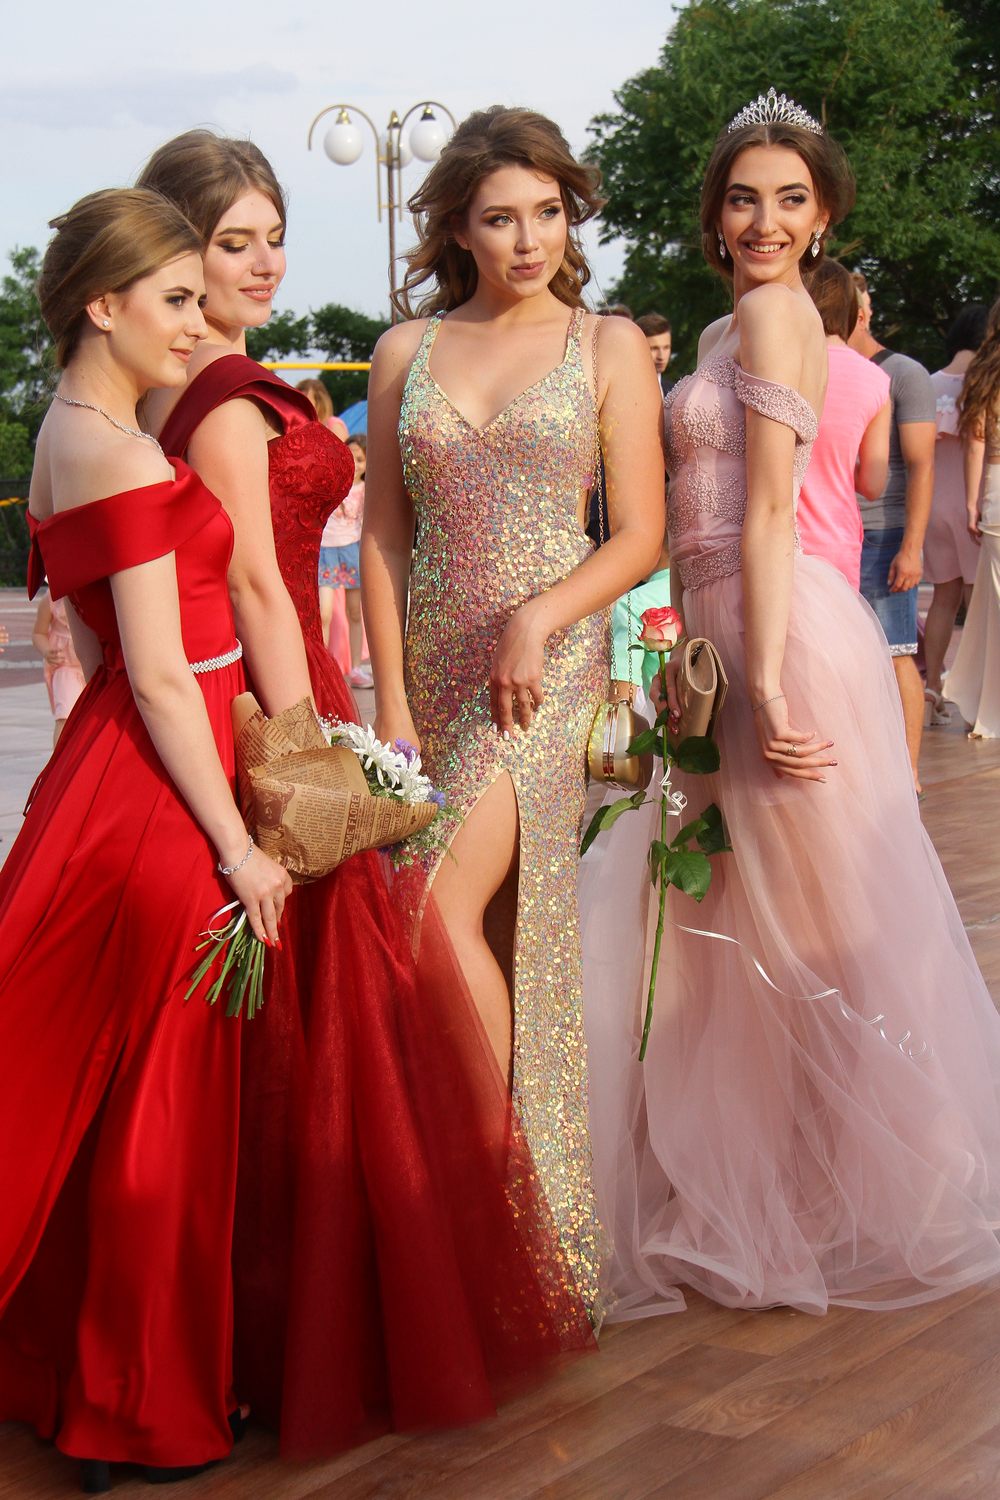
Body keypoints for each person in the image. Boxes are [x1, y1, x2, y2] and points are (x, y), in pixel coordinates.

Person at [139, 127, 595, 1457]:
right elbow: (285, 567)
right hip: (316, 693)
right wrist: (339, 729)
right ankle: (443, 1234)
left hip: (451, 676)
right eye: (233, 242)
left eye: (274, 237)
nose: (264, 262)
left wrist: (349, 713)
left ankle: (482, 1213)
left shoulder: (238, 383)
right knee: (344, 980)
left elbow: (630, 524)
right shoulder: (237, 388)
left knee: (392, 955)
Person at [581, 89, 1000, 1321]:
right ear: (713, 213)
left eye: (789, 200)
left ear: (823, 219)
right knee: (731, 922)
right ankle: (774, 1185)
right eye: (742, 198)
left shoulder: (774, 316)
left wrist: (762, 678)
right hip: (720, 631)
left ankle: (886, 1175)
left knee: (814, 913)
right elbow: (687, 520)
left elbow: (771, 508)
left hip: (778, 635)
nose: (763, 221)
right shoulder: (723, 329)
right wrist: (676, 651)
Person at [0, 188, 293, 1492]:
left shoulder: (67, 428)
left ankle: (86, 1381)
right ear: (100, 303)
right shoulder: (116, 449)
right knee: (164, 1111)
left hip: (111, 776)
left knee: (114, 1094)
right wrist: (238, 844)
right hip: (164, 797)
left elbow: (105, 641)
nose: (196, 319)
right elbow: (166, 676)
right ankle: (131, 1409)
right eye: (174, 299)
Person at [362, 105, 664, 1317]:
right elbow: (385, 537)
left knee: (429, 919)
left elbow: (638, 534)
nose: (531, 239)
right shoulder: (405, 350)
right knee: (488, 935)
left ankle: (515, 1211)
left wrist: (541, 615)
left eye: (548, 213)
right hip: (431, 671)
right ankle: (503, 1258)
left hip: (540, 672)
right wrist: (389, 700)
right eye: (501, 218)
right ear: (457, 227)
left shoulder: (606, 346)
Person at [848, 271, 936, 792]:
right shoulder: (822, 367)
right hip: (835, 535)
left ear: (864, 313)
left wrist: (912, 548)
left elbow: (922, 465)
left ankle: (909, 771)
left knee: (897, 651)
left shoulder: (903, 373)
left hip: (884, 535)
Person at [798, 258, 889, 587]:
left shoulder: (778, 362)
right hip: (837, 539)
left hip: (777, 539)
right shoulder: (876, 379)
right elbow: (873, 484)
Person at [923, 303, 989, 721]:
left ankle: (932, 689)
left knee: (943, 600)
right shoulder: (986, 385)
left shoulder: (928, 384)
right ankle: (976, 699)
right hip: (974, 506)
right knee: (978, 606)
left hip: (932, 507)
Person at [943, 295, 1000, 738]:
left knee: (993, 608)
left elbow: (975, 442)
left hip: (996, 494)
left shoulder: (986, 373)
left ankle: (986, 702)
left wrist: (971, 502)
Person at [319, 433, 371, 687]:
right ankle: (322, 668)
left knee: (354, 612)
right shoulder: (330, 484)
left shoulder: (366, 490)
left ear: (368, 463)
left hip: (352, 549)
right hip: (326, 551)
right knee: (324, 613)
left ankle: (356, 668)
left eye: (360, 459)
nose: (355, 464)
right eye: (350, 457)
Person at [31, 589, 86, 743]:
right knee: (65, 716)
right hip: (65, 666)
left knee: (90, 718)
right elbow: (38, 633)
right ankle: (60, 756)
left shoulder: (96, 593)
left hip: (93, 667)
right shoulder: (51, 599)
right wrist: (46, 651)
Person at [635, 312, 672, 392]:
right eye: (654, 348)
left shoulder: (674, 391)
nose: (661, 356)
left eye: (666, 347)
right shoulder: (626, 389)